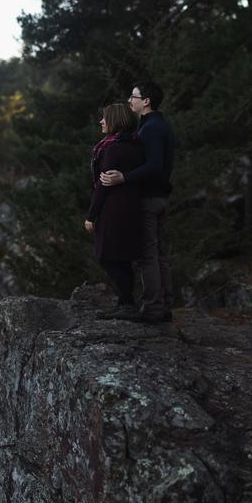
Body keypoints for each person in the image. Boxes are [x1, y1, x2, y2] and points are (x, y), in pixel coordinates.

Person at [100, 81, 175, 324]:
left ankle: (153, 309)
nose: (129, 100)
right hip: (160, 198)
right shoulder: (157, 125)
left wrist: (124, 177)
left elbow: (154, 165)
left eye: (134, 96)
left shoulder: (151, 128)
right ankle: (164, 306)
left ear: (146, 101)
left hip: (150, 199)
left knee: (147, 256)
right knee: (159, 254)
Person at [85, 103, 145, 319]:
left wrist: (91, 215)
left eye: (105, 118)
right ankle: (124, 302)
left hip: (113, 208)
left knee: (107, 258)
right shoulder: (135, 144)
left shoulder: (114, 147)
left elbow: (104, 184)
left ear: (116, 120)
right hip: (130, 206)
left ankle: (128, 304)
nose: (101, 122)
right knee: (121, 258)